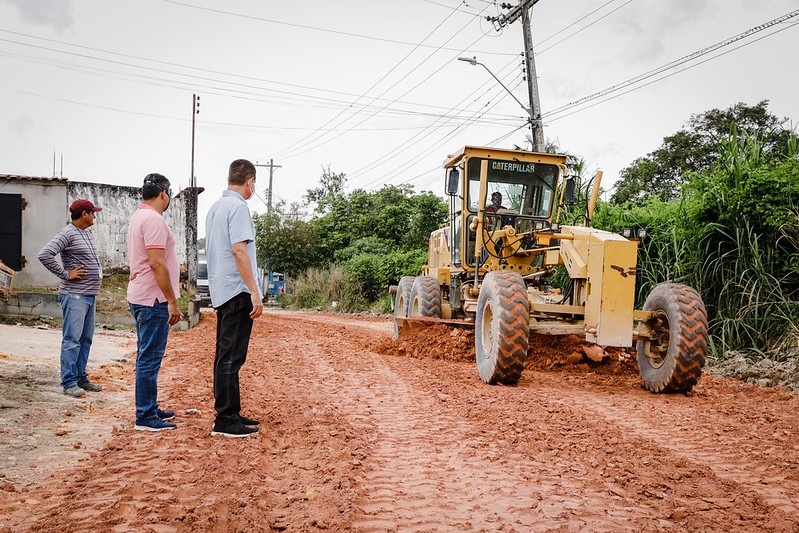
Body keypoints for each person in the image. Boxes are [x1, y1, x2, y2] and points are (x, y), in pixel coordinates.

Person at [205, 159, 264, 438]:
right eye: (254, 184)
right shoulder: (238, 207)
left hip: (221, 289)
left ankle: (231, 412)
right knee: (231, 356)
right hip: (237, 290)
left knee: (225, 354)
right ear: (249, 181)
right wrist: (254, 291)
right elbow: (239, 251)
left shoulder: (215, 207)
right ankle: (226, 419)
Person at [126, 173, 181, 432]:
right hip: (153, 298)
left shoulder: (140, 216)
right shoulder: (153, 220)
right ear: (164, 193)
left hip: (141, 295)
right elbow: (157, 262)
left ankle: (149, 406)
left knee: (146, 355)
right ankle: (145, 416)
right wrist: (172, 300)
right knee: (150, 358)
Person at [38, 199, 104, 398]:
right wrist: (66, 274)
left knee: (85, 339)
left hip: (89, 295)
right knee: (72, 340)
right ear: (84, 213)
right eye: (93, 212)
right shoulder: (67, 233)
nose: (95, 215)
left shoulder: (84, 233)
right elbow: (45, 254)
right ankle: (68, 382)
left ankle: (81, 378)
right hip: (75, 295)